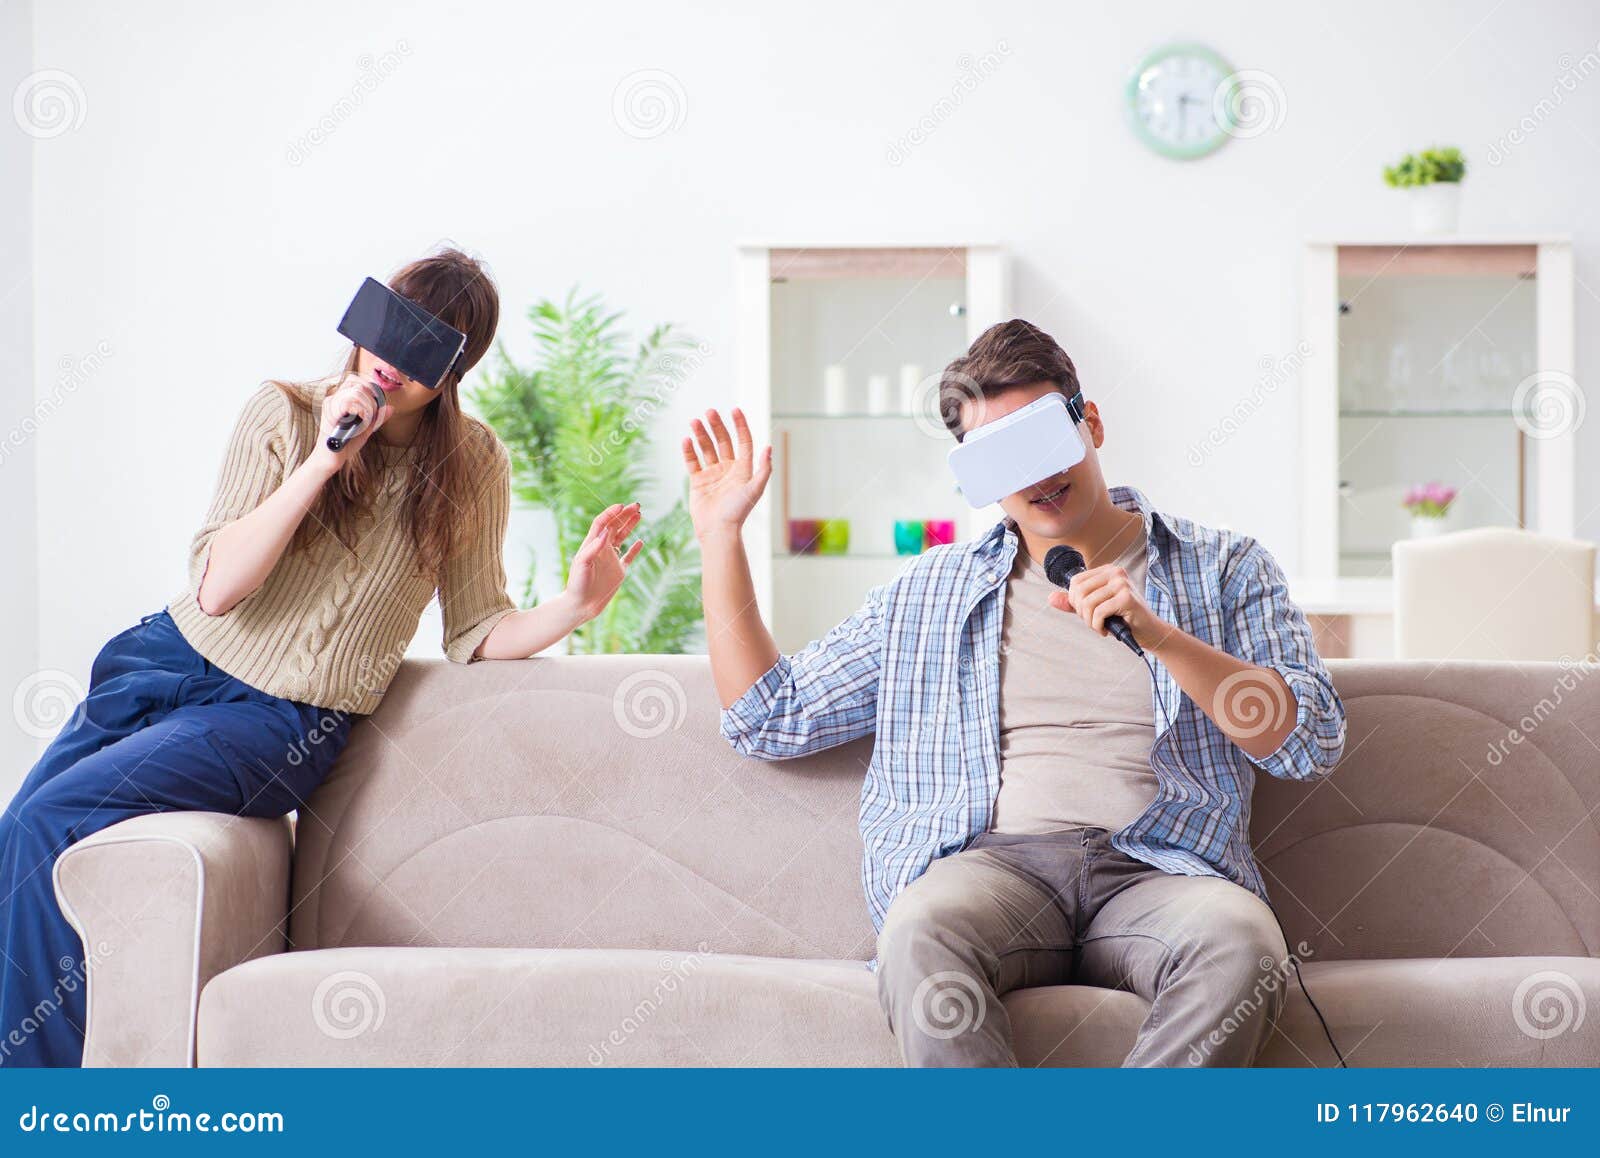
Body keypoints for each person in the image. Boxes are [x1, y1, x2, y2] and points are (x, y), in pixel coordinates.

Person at [0, 248, 644, 1067]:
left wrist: (576, 606)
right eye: (393, 331)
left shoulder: (470, 463)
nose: (395, 363)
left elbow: (477, 628)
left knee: (57, 816)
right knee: (23, 831)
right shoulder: (282, 412)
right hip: (165, 660)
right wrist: (326, 456)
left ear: (454, 371)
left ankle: (48, 1106)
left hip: (281, 720)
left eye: (428, 352)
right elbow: (219, 590)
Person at [684, 318, 1345, 1066]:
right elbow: (768, 717)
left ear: (1088, 422)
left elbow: (1308, 741)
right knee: (918, 932)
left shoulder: (1225, 567)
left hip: (1163, 870)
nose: (1035, 478)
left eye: (1041, 439)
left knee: (1243, 945)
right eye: (1002, 460)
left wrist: (1159, 635)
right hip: (996, 870)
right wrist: (720, 539)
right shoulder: (929, 592)